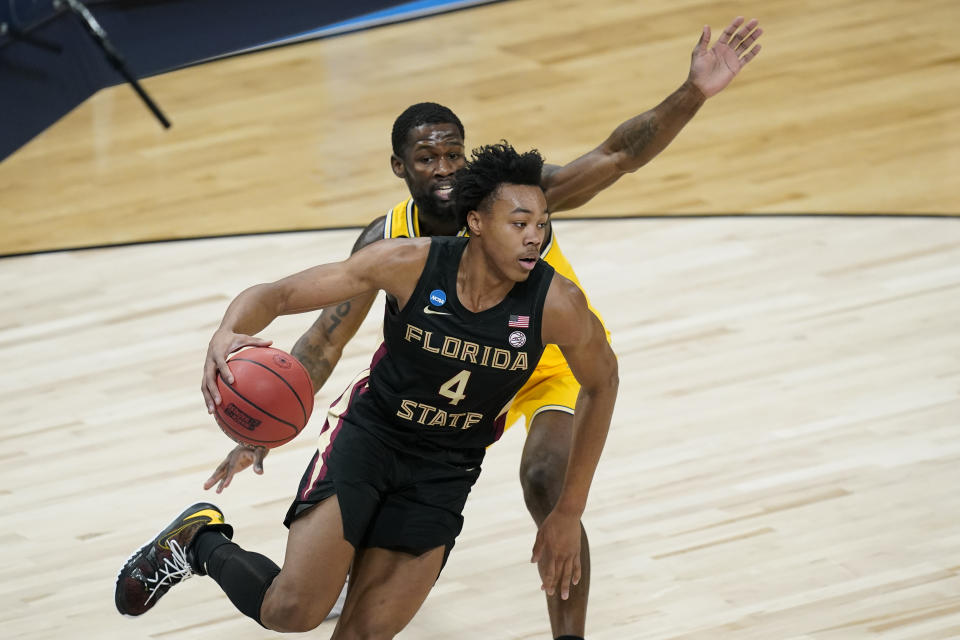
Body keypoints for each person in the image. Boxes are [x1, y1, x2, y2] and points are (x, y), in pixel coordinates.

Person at [203, 15, 763, 640]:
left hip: (537, 358)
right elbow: (321, 339)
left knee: (547, 481)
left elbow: (617, 154)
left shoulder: (513, 199)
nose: (444, 169)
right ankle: (321, 557)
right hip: (432, 381)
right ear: (400, 167)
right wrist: (260, 423)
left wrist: (693, 93)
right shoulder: (393, 247)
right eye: (427, 158)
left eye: (453, 155)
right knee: (303, 602)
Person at [115, 143, 619, 638]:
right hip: (371, 438)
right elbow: (280, 293)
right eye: (520, 223)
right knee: (293, 610)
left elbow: (602, 383)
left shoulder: (557, 303)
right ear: (477, 222)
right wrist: (228, 331)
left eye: (542, 223)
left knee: (364, 633)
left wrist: (568, 512)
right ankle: (199, 541)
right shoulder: (408, 263)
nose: (535, 238)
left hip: (446, 468)